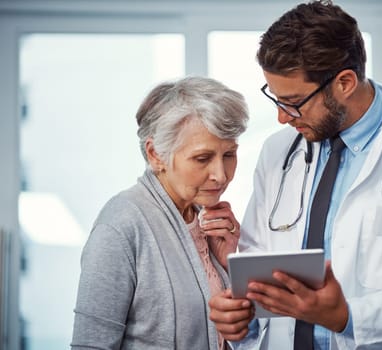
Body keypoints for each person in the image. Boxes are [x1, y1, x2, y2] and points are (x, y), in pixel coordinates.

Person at [208, 1, 382, 349]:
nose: (282, 117)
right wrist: (241, 317)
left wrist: (347, 317)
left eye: (293, 102)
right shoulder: (278, 152)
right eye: (275, 99)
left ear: (345, 83)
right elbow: (260, 269)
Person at [71, 76, 249, 349]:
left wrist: (230, 266)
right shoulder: (121, 225)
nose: (220, 175)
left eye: (229, 155)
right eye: (202, 158)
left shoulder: (206, 220)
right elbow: (90, 344)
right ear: (156, 155)